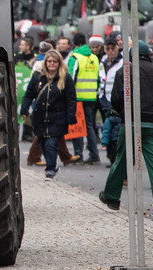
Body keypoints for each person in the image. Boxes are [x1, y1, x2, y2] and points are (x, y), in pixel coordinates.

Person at [99, 41, 153, 219]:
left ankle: (111, 197)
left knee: (121, 160)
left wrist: (123, 113)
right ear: (148, 54)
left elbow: (116, 99)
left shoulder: (123, 71)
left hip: (131, 122)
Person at [27, 49, 77, 178]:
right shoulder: (38, 77)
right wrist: (24, 109)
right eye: (49, 61)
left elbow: (71, 98)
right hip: (40, 117)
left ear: (59, 63)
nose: (52, 64)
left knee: (51, 144)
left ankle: (50, 169)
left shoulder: (65, 78)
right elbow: (29, 94)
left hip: (58, 117)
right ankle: (52, 165)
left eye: (54, 61)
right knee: (42, 143)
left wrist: (71, 116)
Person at [66, 34, 104, 163]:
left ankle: (78, 155)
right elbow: (99, 78)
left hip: (77, 97)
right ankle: (94, 154)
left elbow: (70, 78)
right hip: (91, 97)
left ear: (74, 44)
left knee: (77, 126)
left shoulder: (75, 57)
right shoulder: (94, 58)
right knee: (89, 126)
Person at [100, 35, 125, 165]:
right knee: (107, 129)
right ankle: (111, 155)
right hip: (104, 100)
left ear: (117, 49)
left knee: (116, 130)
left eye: (112, 48)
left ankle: (116, 156)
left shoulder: (122, 62)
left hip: (117, 100)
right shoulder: (103, 62)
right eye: (107, 48)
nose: (110, 51)